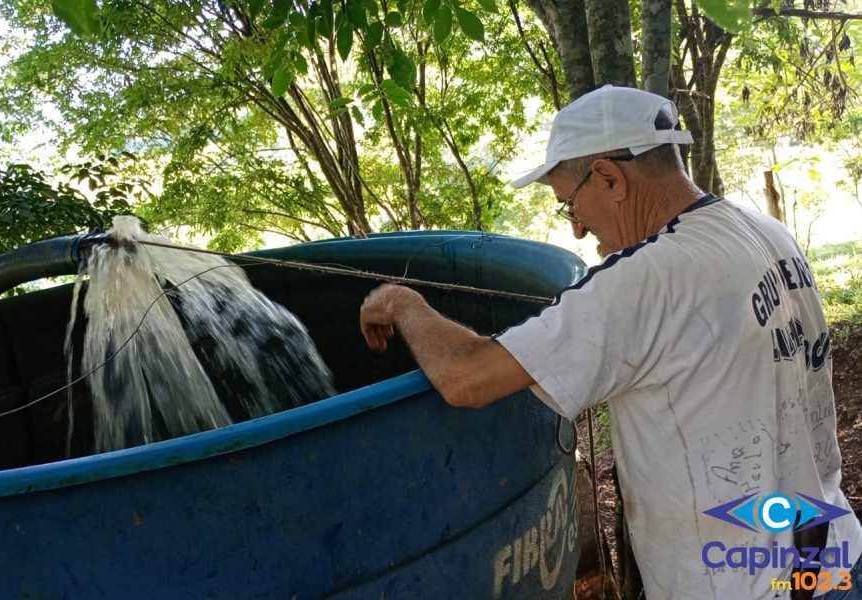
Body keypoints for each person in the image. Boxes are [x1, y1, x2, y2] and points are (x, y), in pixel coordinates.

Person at [359, 85, 862, 599]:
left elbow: (465, 376)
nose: (577, 228)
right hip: (833, 561)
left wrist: (402, 302)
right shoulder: (765, 232)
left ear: (609, 177)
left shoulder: (646, 278)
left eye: (569, 204)